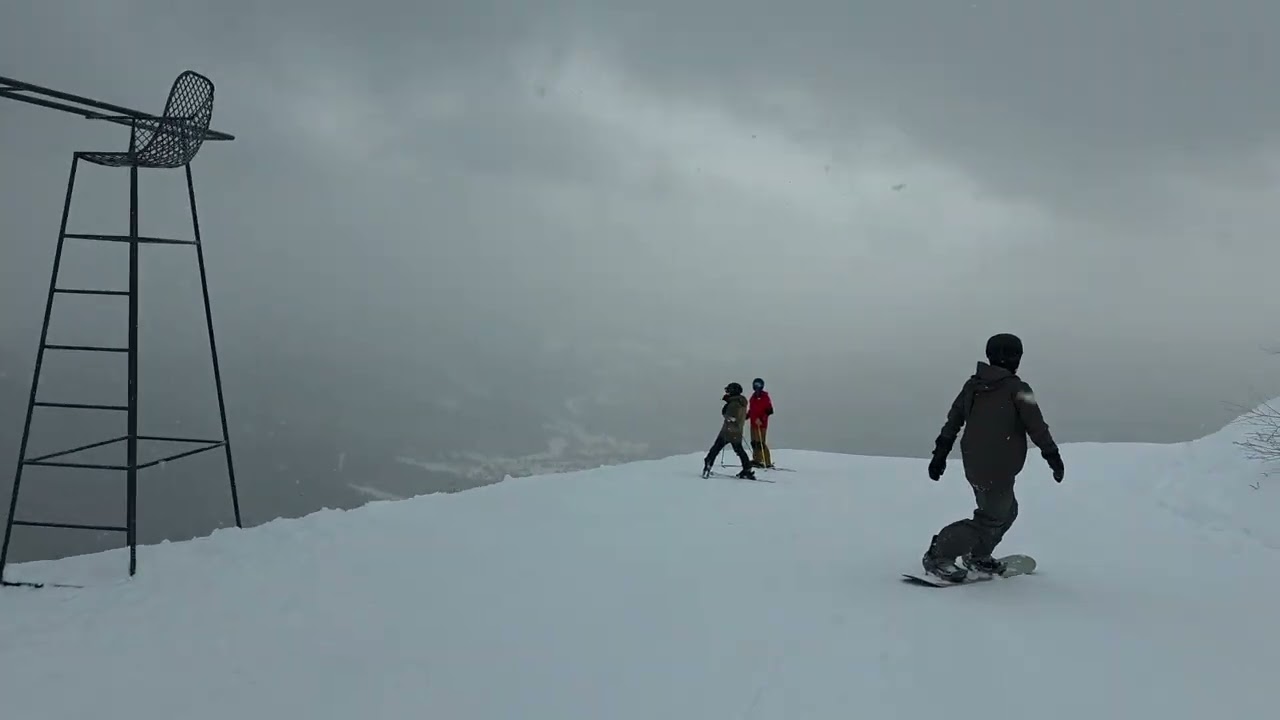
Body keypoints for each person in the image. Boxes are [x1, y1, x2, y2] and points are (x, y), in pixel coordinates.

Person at [920, 333, 1065, 582]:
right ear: (1015, 357)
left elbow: (953, 422)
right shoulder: (1018, 389)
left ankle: (978, 555)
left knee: (1007, 511)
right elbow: (1037, 426)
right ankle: (939, 554)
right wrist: (1052, 456)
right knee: (992, 518)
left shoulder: (973, 385)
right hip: (997, 467)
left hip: (977, 463)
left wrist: (940, 454)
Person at [702, 382, 757, 480]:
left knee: (715, 449)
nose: (727, 392)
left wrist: (726, 408)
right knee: (739, 450)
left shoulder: (734, 404)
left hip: (728, 432)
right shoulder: (741, 402)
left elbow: (730, 417)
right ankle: (747, 469)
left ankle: (708, 466)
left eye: (729, 390)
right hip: (737, 431)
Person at [747, 377, 775, 468]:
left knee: (761, 443)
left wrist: (761, 419)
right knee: (754, 442)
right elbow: (752, 410)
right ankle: (757, 460)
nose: (757, 386)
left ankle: (767, 462)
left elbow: (769, 410)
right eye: (755, 384)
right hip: (753, 423)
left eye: (759, 385)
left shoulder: (765, 397)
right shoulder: (753, 397)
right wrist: (745, 416)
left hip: (761, 424)